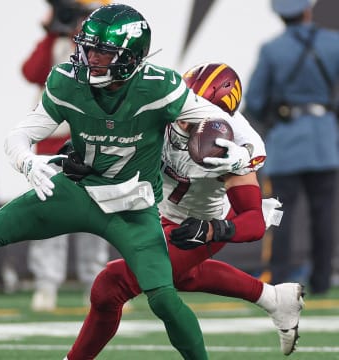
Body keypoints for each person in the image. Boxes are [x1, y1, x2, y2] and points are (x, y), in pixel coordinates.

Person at [0, 4, 265, 358]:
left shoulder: (161, 88)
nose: (88, 58)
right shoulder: (67, 80)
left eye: (102, 52)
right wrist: (27, 162)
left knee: (163, 299)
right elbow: (19, 135)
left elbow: (215, 117)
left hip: (135, 206)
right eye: (87, 48)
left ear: (131, 58)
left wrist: (242, 153)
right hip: (77, 190)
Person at [63, 62, 304, 360]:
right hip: (164, 210)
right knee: (180, 276)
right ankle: (275, 299)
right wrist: (83, 152)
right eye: (184, 106)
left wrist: (214, 230)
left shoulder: (234, 147)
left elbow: (253, 221)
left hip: (204, 221)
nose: (181, 120)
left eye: (194, 117)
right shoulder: (162, 104)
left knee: (111, 285)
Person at [245, 0, 339, 294]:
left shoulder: (273, 50)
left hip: (286, 142)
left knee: (280, 214)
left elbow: (256, 100)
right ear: (308, 10)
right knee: (324, 216)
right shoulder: (334, 43)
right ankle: (322, 280)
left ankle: (280, 279)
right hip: (325, 141)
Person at [21, 0, 110, 311]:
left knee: (94, 214)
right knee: (49, 215)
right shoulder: (56, 43)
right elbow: (31, 72)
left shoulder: (104, 48)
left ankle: (95, 284)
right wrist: (52, 31)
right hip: (51, 143)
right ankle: (46, 286)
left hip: (92, 139)